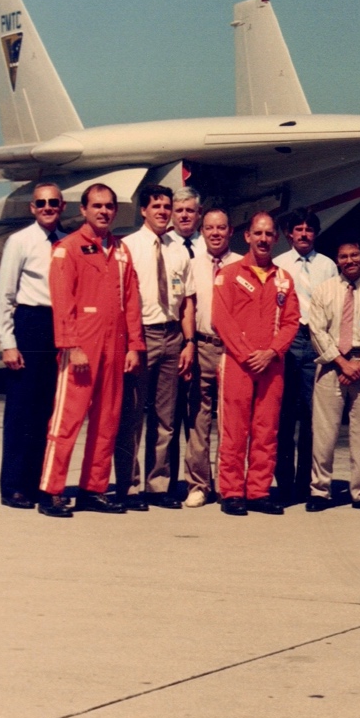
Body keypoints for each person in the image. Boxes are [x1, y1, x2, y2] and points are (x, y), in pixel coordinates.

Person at [38, 184, 143, 517]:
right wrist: (71, 345)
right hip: (81, 346)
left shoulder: (121, 250)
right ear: (82, 210)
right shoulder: (66, 249)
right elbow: (62, 301)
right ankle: (50, 491)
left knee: (107, 421)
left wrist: (134, 345)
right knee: (67, 421)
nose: (103, 212)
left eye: (109, 206)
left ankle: (93, 489)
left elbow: (132, 301)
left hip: (115, 347)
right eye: (97, 206)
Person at [213, 212, 300, 516]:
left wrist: (273, 352)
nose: (263, 239)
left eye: (269, 234)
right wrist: (248, 354)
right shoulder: (229, 274)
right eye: (258, 233)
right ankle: (232, 491)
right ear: (247, 236)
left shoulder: (284, 279)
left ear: (276, 239)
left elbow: (291, 322)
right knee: (235, 430)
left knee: (266, 430)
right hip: (239, 363)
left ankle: (259, 491)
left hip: (271, 365)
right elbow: (221, 319)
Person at [116, 182, 196, 510]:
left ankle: (158, 484)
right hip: (141, 336)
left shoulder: (179, 250)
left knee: (166, 418)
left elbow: (187, 301)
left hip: (173, 336)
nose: (163, 212)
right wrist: (130, 344)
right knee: (133, 415)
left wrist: (189, 342)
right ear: (143, 211)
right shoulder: (128, 247)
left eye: (167, 206)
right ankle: (129, 485)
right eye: (157, 206)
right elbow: (120, 299)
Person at [0, 181, 65, 508]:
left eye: (54, 202)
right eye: (42, 203)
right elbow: (5, 295)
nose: (48, 207)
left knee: (47, 411)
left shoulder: (67, 242)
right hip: (30, 324)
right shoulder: (19, 241)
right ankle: (13, 486)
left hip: (59, 328)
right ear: (32, 208)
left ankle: (38, 482)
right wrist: (8, 342)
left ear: (63, 207)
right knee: (22, 410)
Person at [304, 238, 360, 512]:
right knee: (324, 433)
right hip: (331, 367)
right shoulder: (324, 291)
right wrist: (341, 362)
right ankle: (320, 491)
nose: (349, 260)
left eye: (354, 255)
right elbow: (317, 331)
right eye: (343, 256)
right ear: (337, 259)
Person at [273, 208, 338, 505]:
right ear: (289, 234)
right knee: (285, 416)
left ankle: (308, 483)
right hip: (289, 340)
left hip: (316, 342)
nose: (303, 234)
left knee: (315, 416)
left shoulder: (327, 266)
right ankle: (284, 485)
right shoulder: (279, 265)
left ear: (315, 233)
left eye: (308, 229)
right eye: (297, 229)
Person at [183, 208, 233, 508]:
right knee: (198, 419)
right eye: (210, 228)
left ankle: (227, 484)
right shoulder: (192, 265)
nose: (216, 233)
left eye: (221, 228)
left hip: (230, 350)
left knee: (230, 419)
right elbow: (187, 307)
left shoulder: (242, 265)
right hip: (201, 345)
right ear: (202, 232)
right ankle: (199, 484)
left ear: (231, 231)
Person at [169, 188, 202, 256]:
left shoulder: (208, 244)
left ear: (199, 212)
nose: (184, 215)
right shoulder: (163, 244)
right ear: (171, 213)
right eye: (179, 210)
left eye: (189, 210)